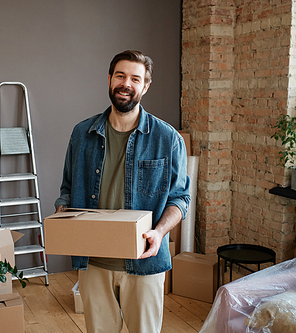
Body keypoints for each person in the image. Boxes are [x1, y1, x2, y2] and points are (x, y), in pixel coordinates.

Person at [54, 50, 191, 333]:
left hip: (144, 261)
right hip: (93, 261)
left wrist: (160, 231)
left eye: (134, 78)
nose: (126, 83)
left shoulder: (168, 139)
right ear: (109, 79)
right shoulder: (82, 134)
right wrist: (62, 215)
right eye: (120, 75)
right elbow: (67, 189)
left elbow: (181, 198)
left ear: (145, 86)